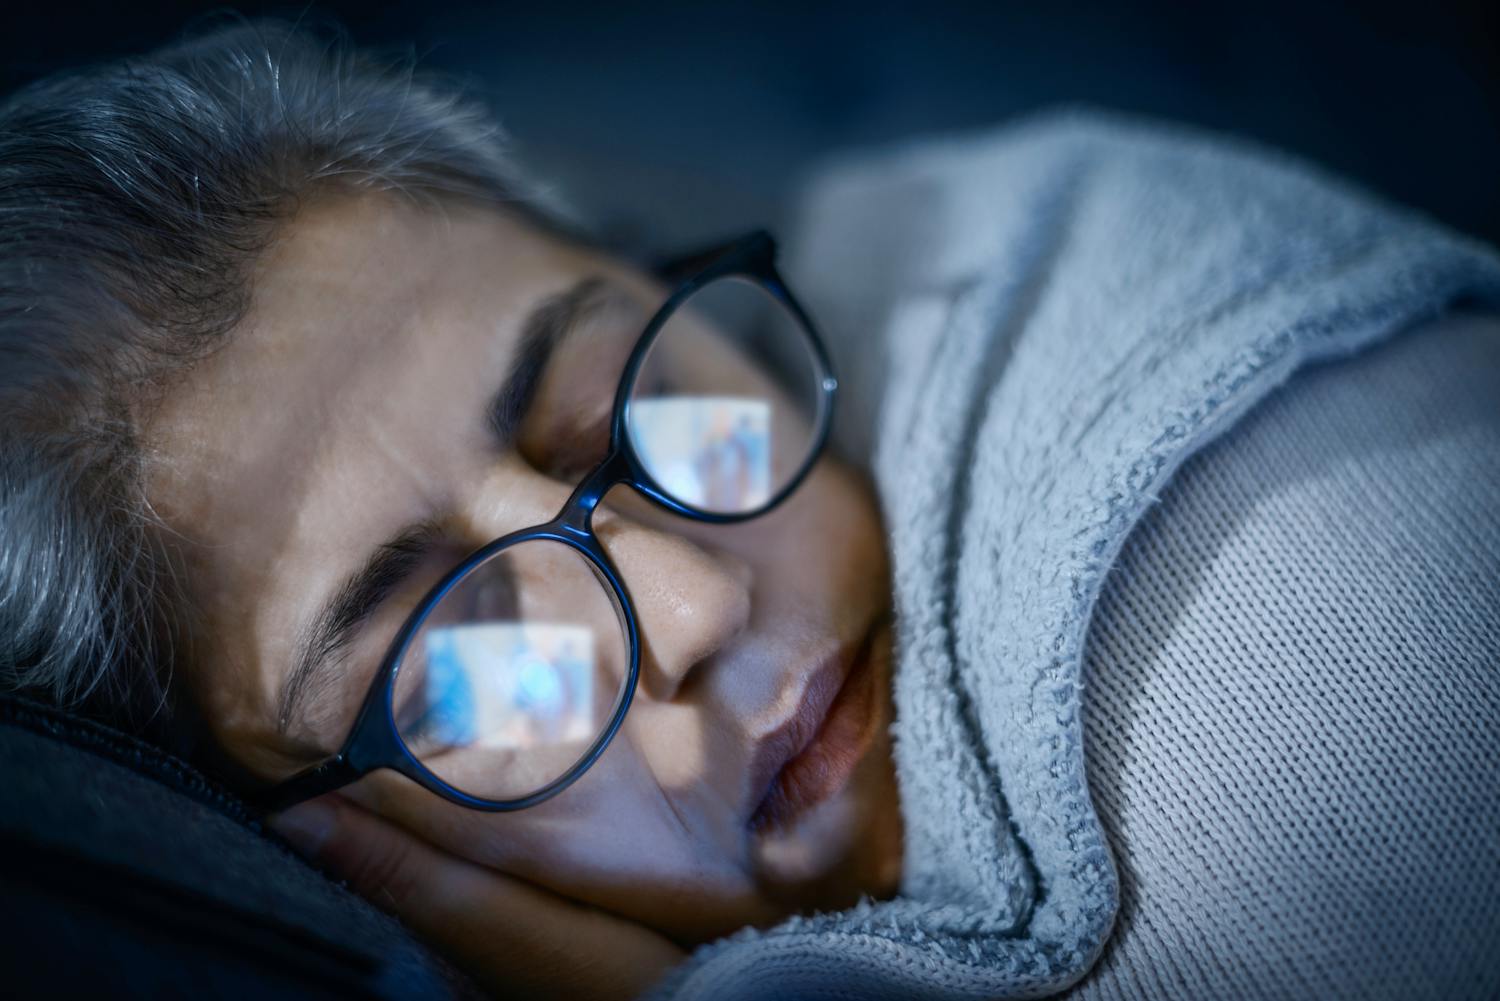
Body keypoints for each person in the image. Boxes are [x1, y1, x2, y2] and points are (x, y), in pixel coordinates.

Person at [4, 20, 1498, 1001]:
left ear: (650, 273)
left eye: (620, 407)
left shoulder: (1305, 603)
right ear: (309, 839)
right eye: (463, 664)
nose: (697, 606)